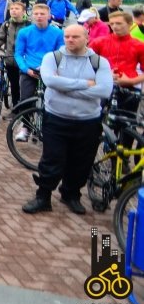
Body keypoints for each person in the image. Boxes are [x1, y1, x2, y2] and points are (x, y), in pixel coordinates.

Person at [23, 25, 113, 215]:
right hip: (56, 118)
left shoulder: (99, 62)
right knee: (51, 159)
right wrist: (87, 86)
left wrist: (65, 87)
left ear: (86, 38)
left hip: (88, 122)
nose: (70, 40)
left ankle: (71, 194)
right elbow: (50, 81)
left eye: (75, 37)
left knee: (81, 162)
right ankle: (43, 196)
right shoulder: (53, 58)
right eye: (67, 36)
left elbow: (104, 90)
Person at [89, 11, 144, 119]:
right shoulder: (99, 42)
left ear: (129, 24)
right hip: (102, 85)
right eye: (112, 23)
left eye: (119, 23)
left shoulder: (139, 45)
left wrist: (131, 81)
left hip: (129, 87)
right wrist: (103, 74)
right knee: (94, 121)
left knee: (127, 125)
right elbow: (85, 64)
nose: (114, 26)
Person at [14, 3, 65, 109]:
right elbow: (18, 54)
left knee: (52, 102)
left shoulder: (58, 33)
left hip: (50, 71)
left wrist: (56, 69)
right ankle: (26, 124)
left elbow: (61, 53)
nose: (39, 16)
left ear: (49, 16)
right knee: (25, 100)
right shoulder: (24, 32)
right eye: (36, 14)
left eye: (42, 14)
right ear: (32, 16)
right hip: (30, 70)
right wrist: (25, 69)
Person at [0, 0, 30, 107]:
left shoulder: (29, 25)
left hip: (25, 61)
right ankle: (16, 108)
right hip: (10, 60)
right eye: (11, 9)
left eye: (17, 9)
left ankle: (27, 108)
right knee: (14, 85)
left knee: (25, 86)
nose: (13, 11)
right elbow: (0, 39)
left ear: (24, 11)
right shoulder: (6, 24)